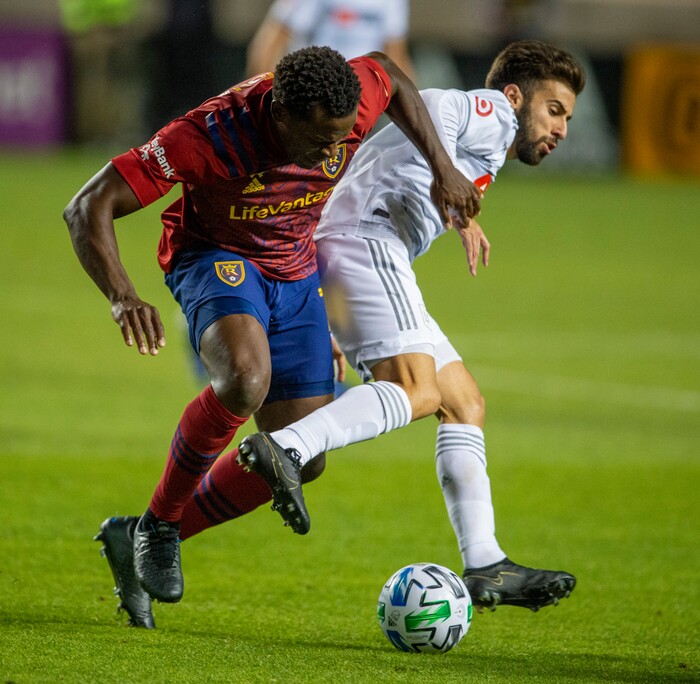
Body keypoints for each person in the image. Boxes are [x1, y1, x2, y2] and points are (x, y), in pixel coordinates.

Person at [64, 45, 481, 628]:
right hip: (215, 256)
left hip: (296, 267)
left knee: (300, 456)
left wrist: (444, 167)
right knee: (244, 378)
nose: (333, 152)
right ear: (281, 114)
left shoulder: (348, 100)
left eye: (342, 137)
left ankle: (135, 537)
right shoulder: (207, 136)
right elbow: (88, 204)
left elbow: (389, 74)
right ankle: (160, 526)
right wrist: (122, 296)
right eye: (319, 140)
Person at [236, 39, 586, 612]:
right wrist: (446, 176)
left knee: (462, 402)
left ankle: (486, 564)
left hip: (345, 254)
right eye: (554, 110)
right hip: (365, 240)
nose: (562, 128)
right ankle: (289, 447)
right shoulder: (491, 113)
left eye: (568, 118)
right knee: (415, 389)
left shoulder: (491, 151)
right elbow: (434, 104)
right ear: (516, 96)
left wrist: (456, 201)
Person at [246, 0, 414, 80]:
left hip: (359, 97)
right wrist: (262, 100)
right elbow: (270, 43)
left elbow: (396, 57)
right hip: (310, 90)